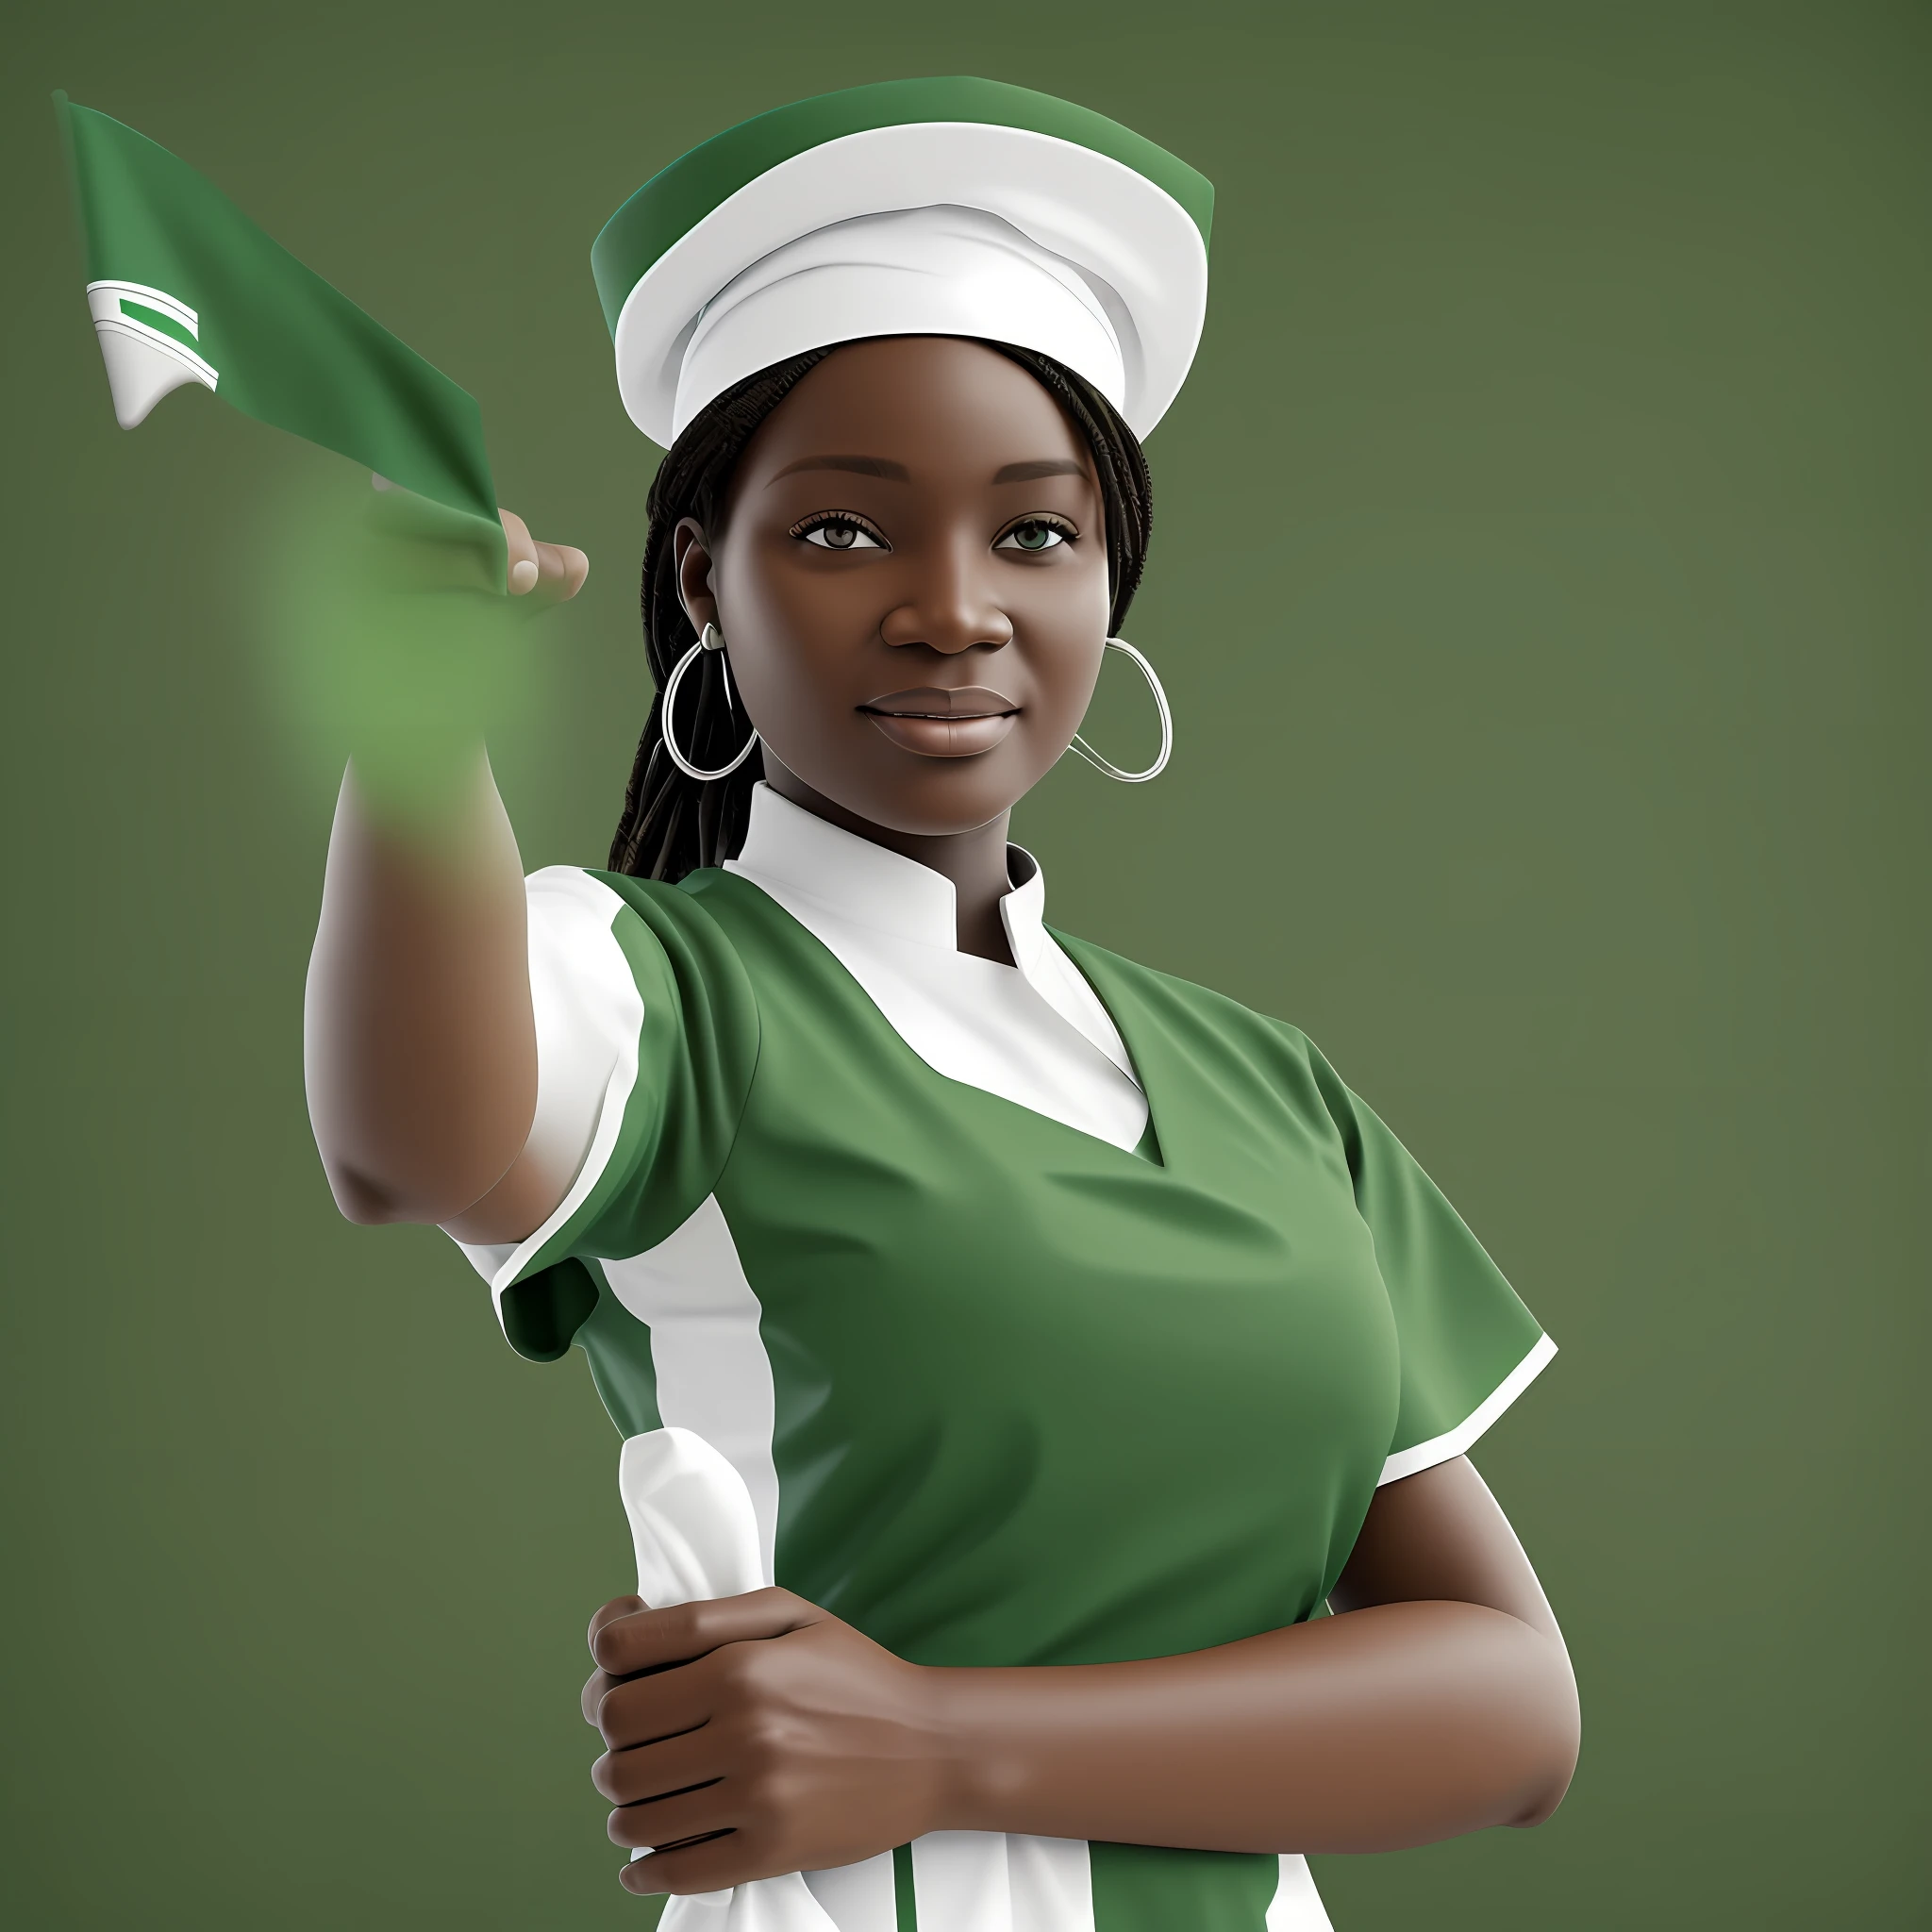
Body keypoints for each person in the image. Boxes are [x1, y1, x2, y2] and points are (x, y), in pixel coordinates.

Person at [304, 77, 1579, 1932]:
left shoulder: (1267, 1082)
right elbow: (402, 1137)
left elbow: (1505, 1703)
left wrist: (941, 1740)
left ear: (1107, 582)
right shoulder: (660, 992)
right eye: (840, 533)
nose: (951, 610)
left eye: (1035, 534)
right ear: (701, 582)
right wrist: (413, 729)